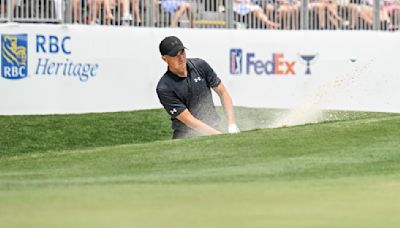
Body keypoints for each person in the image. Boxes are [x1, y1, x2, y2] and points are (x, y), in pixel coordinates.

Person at [156, 36, 240, 139]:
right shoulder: (164, 87)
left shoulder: (200, 65)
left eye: (182, 52)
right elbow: (190, 121)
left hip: (215, 128)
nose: (181, 58)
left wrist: (232, 124)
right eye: (175, 55)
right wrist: (219, 136)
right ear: (164, 59)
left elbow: (222, 92)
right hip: (185, 137)